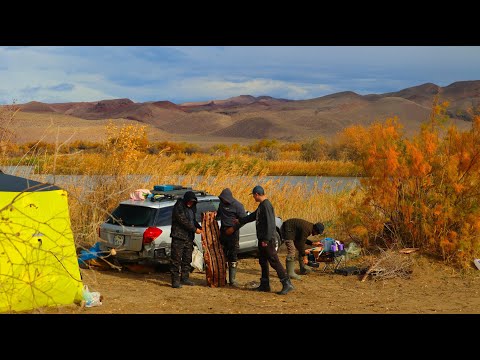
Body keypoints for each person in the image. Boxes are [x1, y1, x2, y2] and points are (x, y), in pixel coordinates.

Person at [235, 185, 294, 295]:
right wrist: (240, 221)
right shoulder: (262, 206)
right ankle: (264, 284)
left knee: (274, 261)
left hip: (267, 240)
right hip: (262, 239)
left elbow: (270, 224)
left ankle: (287, 283)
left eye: (253, 195)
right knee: (262, 261)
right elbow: (253, 216)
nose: (253, 197)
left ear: (257, 194)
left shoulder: (266, 205)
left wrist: (266, 239)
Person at [170, 191, 203, 288]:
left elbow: (192, 221)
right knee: (176, 259)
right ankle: (175, 281)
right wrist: (195, 229)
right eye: (189, 201)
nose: (190, 203)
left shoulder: (192, 208)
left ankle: (185, 278)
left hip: (189, 237)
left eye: (192, 202)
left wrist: (199, 227)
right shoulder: (179, 207)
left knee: (187, 259)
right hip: (178, 237)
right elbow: (183, 221)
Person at [217, 188, 247, 287]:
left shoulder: (238, 206)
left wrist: (233, 228)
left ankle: (232, 280)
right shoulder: (221, 204)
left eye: (225, 199)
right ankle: (222, 278)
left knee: (233, 255)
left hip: (233, 232)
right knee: (222, 255)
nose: (224, 201)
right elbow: (218, 215)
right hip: (223, 231)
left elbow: (243, 220)